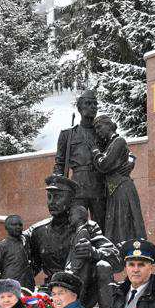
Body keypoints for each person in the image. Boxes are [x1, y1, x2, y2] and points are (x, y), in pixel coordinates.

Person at [25, 175, 121, 308]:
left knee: (103, 266)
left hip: (81, 291)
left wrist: (93, 252)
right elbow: (31, 266)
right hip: (52, 292)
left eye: (58, 197)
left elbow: (116, 260)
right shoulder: (38, 231)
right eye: (50, 197)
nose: (52, 202)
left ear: (71, 200)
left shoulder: (88, 227)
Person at [91, 114, 146, 245]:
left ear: (109, 125)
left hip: (121, 188)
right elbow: (129, 153)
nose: (98, 132)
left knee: (124, 227)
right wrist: (131, 159)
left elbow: (104, 165)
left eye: (99, 127)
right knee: (118, 228)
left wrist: (95, 152)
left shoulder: (118, 141)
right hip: (114, 189)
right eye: (96, 130)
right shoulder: (110, 144)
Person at [54, 89, 106, 226]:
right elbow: (59, 163)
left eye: (95, 104)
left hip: (99, 186)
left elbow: (118, 151)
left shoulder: (102, 132)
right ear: (79, 108)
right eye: (88, 103)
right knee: (76, 224)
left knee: (102, 227)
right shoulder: (67, 134)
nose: (93, 107)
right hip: (77, 187)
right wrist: (58, 188)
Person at [0, 215, 34, 292]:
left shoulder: (25, 242)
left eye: (20, 225)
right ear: (6, 227)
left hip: (27, 284)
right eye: (14, 225)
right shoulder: (4, 244)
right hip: (11, 283)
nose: (18, 227)